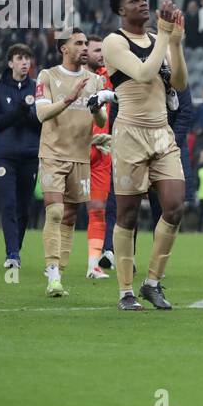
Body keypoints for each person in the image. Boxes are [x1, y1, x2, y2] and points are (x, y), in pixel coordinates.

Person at [102, 0, 189, 311]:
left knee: (175, 205)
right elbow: (142, 73)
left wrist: (175, 44)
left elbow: (179, 82)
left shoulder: (159, 40)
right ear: (121, 10)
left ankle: (152, 282)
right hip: (130, 134)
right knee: (127, 214)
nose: (142, 3)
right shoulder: (114, 41)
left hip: (161, 132)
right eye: (134, 0)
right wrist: (165, 35)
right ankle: (125, 291)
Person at [35, 29, 110, 297]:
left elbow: (101, 121)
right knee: (55, 212)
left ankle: (59, 273)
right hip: (53, 153)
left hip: (80, 155)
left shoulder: (95, 81)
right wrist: (70, 98)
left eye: (86, 44)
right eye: (78, 43)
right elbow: (42, 113)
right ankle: (52, 274)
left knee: (69, 216)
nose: (84, 48)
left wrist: (94, 108)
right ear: (63, 48)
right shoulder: (48, 76)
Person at [0, 43, 41, 269]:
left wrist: (27, 114)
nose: (24, 62)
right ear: (10, 63)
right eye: (19, 58)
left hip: (30, 155)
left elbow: (42, 123)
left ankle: (15, 249)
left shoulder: (38, 88)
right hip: (5, 156)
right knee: (8, 204)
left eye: (27, 58)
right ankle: (12, 254)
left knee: (24, 207)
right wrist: (16, 113)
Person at [83, 35, 116, 279]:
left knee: (98, 209)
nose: (101, 55)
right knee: (64, 211)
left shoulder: (109, 77)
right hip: (74, 149)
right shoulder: (68, 77)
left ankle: (93, 265)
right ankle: (54, 264)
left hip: (102, 150)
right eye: (97, 50)